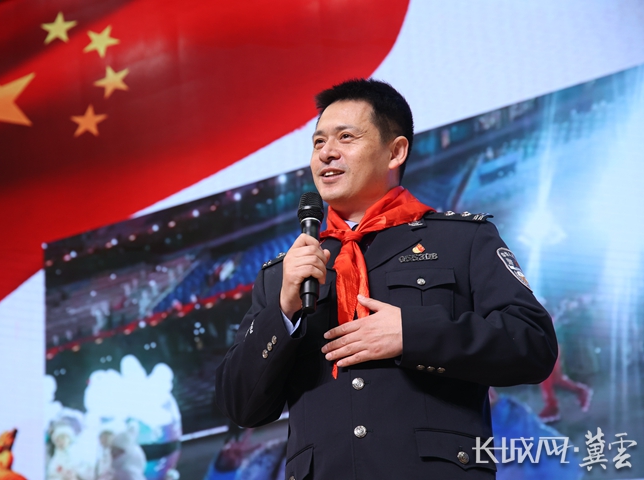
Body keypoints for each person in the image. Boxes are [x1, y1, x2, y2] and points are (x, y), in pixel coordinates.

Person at [215, 79, 557, 479]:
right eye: (318, 141)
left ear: (395, 152)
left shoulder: (461, 240)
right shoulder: (285, 273)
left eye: (346, 137)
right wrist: (283, 312)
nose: (326, 152)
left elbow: (533, 344)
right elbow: (240, 406)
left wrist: (412, 333)